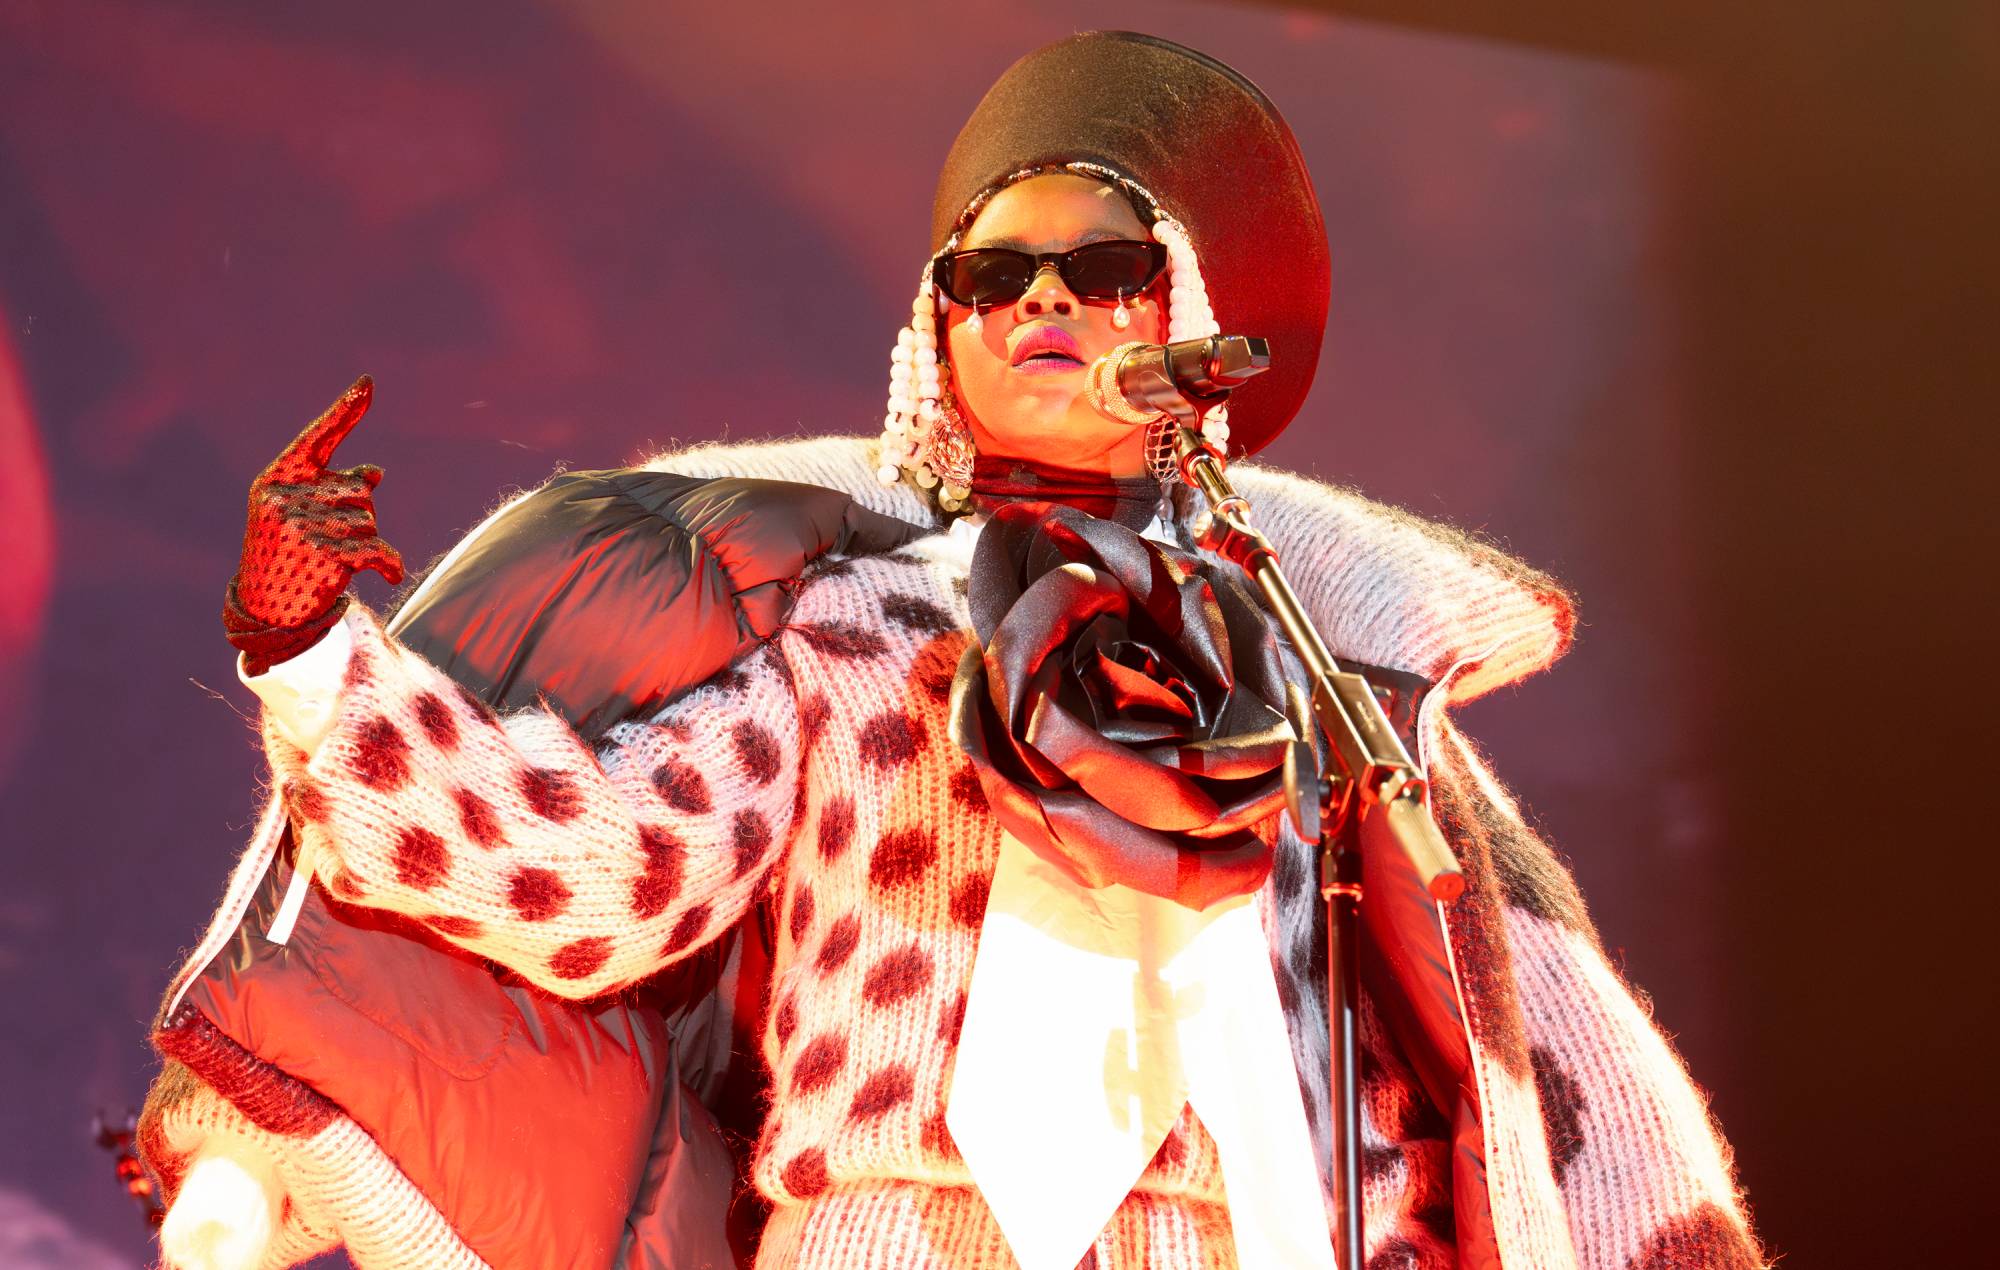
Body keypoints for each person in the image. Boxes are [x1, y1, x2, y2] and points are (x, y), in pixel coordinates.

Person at [140, 31, 1763, 1270]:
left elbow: (1527, 1012)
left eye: (1104, 265)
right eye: (995, 272)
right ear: (940, 338)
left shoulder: (1319, 671)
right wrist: (306, 646)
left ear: (1180, 329)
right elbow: (602, 874)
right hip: (906, 1227)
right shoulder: (852, 620)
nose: (1044, 297)